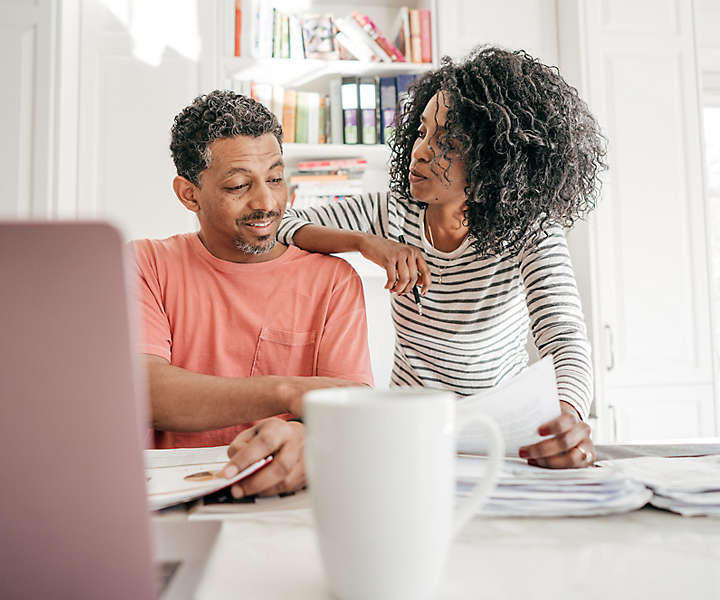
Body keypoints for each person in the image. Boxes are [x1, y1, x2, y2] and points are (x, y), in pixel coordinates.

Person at [277, 46, 607, 469]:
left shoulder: (530, 230)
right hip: (411, 429)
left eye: (447, 142)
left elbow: (562, 335)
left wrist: (569, 416)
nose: (420, 151)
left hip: (500, 434)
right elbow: (285, 224)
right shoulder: (393, 211)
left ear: (495, 159)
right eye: (421, 132)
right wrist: (366, 243)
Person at [132, 90, 373, 497]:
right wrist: (290, 391)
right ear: (189, 194)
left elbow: (349, 409)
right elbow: (146, 390)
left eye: (276, 179)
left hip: (293, 496)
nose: (267, 202)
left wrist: (302, 437)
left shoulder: (334, 281)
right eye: (239, 185)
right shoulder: (147, 264)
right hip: (171, 497)